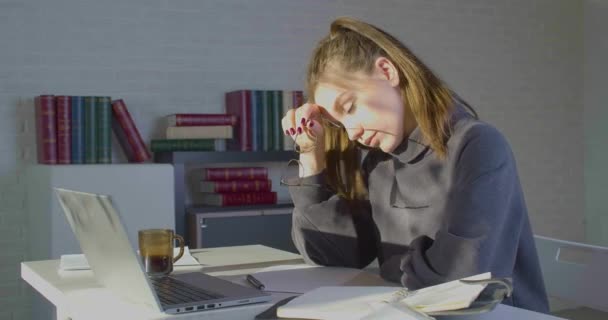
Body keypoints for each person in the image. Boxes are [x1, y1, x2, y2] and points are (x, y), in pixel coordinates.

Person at [280, 17, 549, 313]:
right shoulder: (380, 163)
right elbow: (333, 254)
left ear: (387, 71)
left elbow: (461, 281)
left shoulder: (478, 144)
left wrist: (395, 269)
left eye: (350, 107)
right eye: (340, 124)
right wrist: (310, 155)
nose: (352, 132)